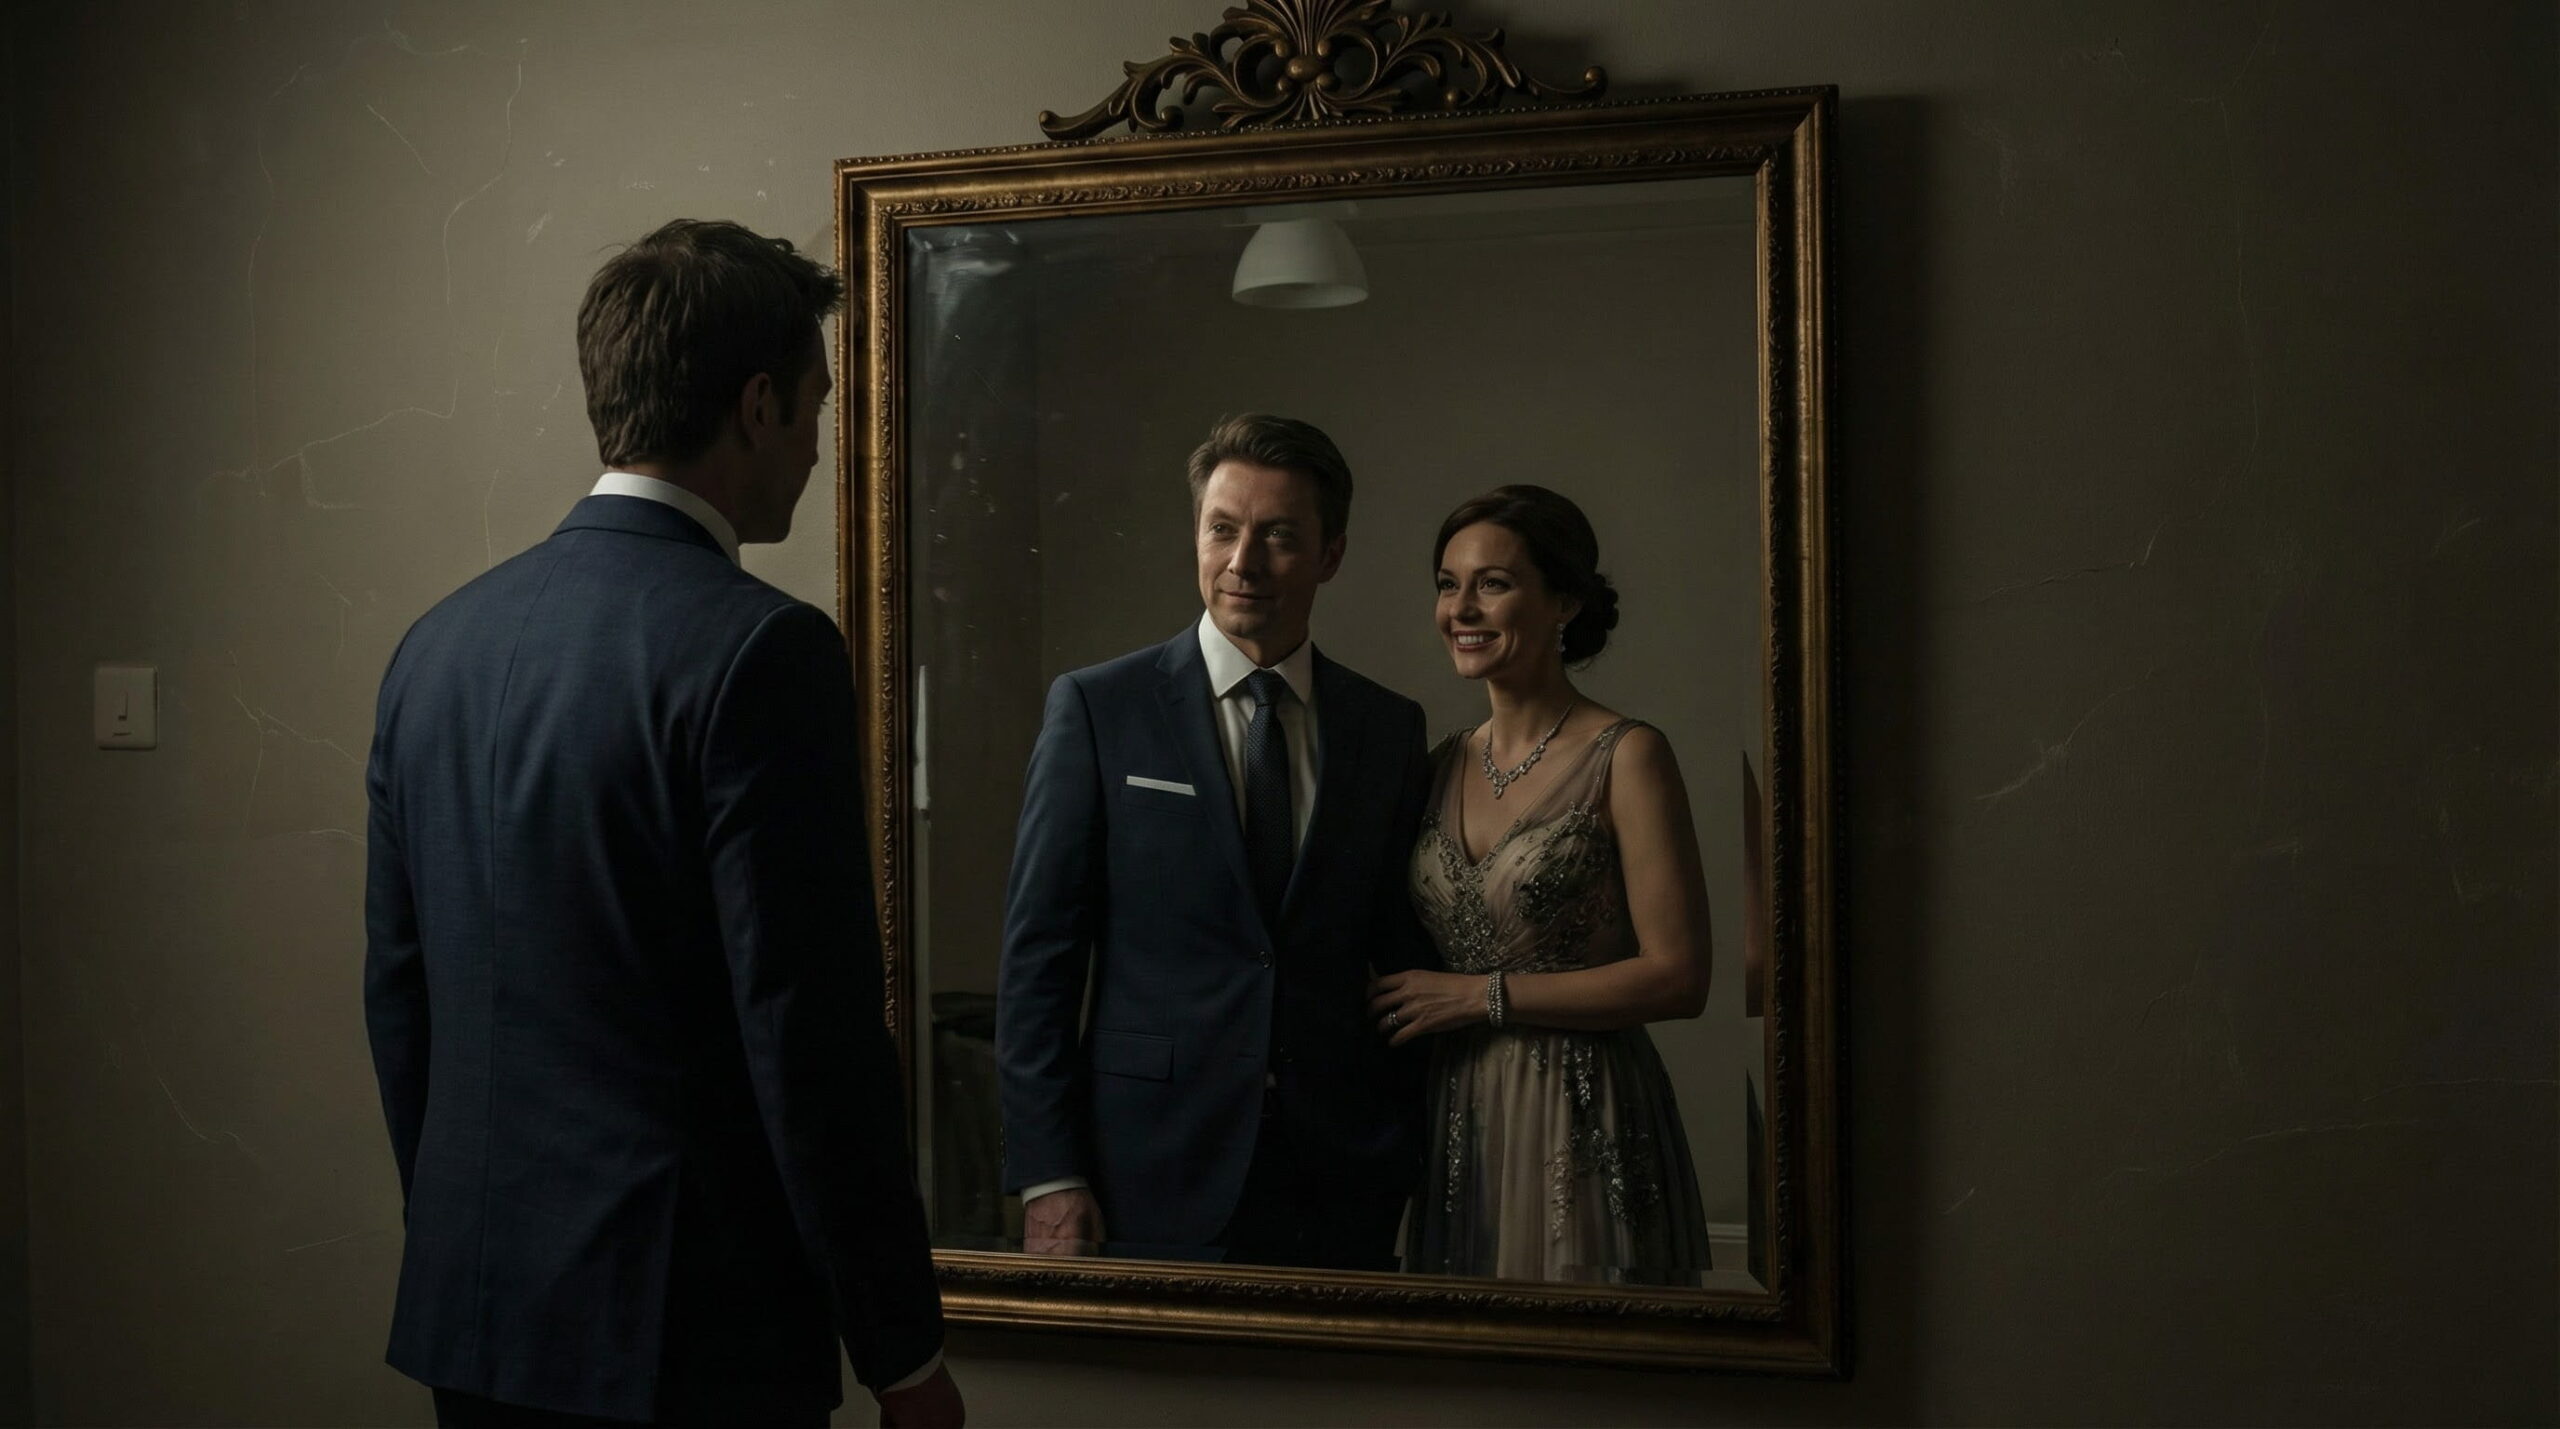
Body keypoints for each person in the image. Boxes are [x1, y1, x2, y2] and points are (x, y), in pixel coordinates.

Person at [364, 219, 962, 1427]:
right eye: (814, 405)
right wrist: (899, 1349)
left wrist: (467, 1240)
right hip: (685, 1337)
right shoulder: (762, 651)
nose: (814, 444)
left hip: (476, 1320)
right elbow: (810, 1036)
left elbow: (401, 997)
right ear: (755, 407)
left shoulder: (435, 648)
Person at [997, 413, 1432, 1269]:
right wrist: (1048, 1172)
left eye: (1278, 536)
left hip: (1339, 1175)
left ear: (1330, 554)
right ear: (1196, 536)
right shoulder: (1098, 708)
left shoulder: (1388, 728)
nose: (1244, 562)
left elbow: (1396, 944)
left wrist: (1400, 1138)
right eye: (1223, 530)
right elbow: (1040, 957)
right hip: (1147, 1164)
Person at [1368, 484, 1715, 1285]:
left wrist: (1481, 996)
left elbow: (1680, 976)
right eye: (1448, 584)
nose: (1462, 608)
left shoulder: (1628, 755)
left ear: (1564, 600)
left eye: (1493, 583)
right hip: (1457, 1120)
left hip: (1582, 1115)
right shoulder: (1435, 763)